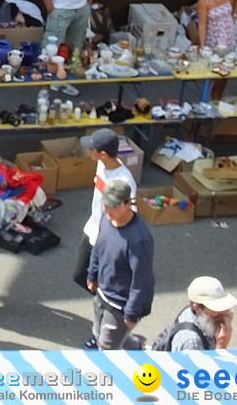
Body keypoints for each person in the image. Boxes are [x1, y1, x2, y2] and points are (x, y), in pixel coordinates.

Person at [74, 128, 138, 347]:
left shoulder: (124, 182)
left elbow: (130, 215)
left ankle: (107, 328)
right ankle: (109, 314)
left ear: (102, 154)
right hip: (93, 229)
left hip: (108, 239)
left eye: (91, 149)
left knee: (102, 293)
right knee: (80, 276)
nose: (88, 152)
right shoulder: (101, 164)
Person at [86, 178, 154, 351]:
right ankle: (137, 348)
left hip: (120, 305)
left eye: (113, 206)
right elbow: (98, 247)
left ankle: (107, 376)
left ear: (127, 204)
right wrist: (92, 274)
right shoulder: (106, 218)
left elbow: (142, 280)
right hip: (102, 293)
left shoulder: (139, 239)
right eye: (106, 204)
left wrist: (131, 313)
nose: (107, 209)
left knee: (106, 348)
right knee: (98, 334)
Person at [157, 277, 237, 350]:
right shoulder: (192, 342)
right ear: (197, 308)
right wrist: (221, 346)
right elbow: (202, 366)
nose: (225, 312)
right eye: (216, 308)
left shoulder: (196, 314)